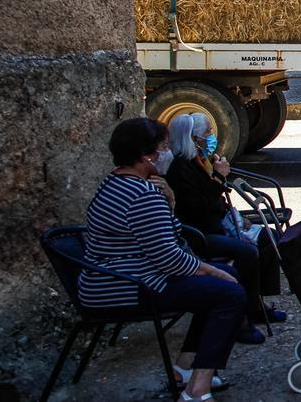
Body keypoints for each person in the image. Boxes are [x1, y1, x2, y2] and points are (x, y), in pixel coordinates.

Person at [79, 117, 244, 401]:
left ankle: (185, 367)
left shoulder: (114, 182)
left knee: (220, 284)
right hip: (130, 286)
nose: (166, 153)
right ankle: (198, 388)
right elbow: (170, 257)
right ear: (146, 155)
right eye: (162, 148)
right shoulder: (143, 194)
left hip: (111, 278)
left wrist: (169, 203)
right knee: (230, 292)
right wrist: (212, 271)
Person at [165, 114, 285, 336]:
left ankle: (256, 302)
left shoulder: (197, 161)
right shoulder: (179, 169)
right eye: (207, 133)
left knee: (270, 239)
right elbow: (197, 207)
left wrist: (235, 215)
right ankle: (241, 314)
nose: (211, 137)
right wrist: (220, 179)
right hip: (199, 234)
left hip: (215, 223)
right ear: (193, 138)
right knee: (247, 253)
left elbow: (215, 200)